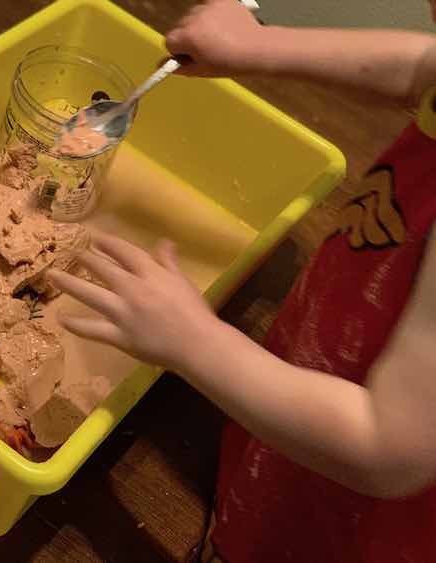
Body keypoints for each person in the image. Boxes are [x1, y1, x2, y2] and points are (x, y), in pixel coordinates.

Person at [47, 1, 436, 561]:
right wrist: (262, 47)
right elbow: (424, 69)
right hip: (319, 396)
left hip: (356, 516)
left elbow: (387, 451)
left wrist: (192, 342)